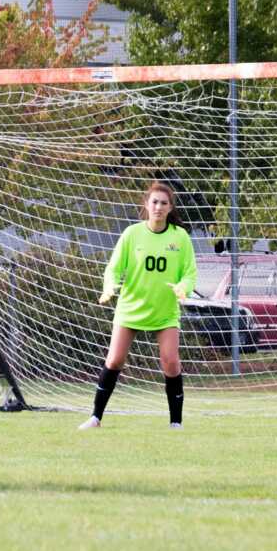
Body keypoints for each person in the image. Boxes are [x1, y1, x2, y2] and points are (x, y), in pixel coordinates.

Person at [80, 180, 197, 430]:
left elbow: (189, 273)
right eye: (154, 202)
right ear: (146, 204)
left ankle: (176, 423)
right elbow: (114, 267)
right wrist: (109, 286)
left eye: (163, 203)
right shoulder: (132, 234)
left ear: (170, 207)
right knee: (114, 361)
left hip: (164, 311)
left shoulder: (180, 237)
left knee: (171, 362)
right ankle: (95, 417)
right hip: (130, 308)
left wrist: (183, 287)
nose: (158, 207)